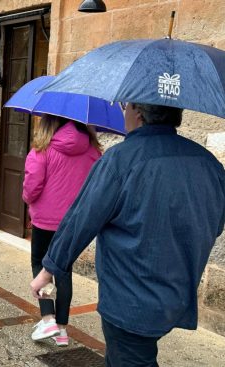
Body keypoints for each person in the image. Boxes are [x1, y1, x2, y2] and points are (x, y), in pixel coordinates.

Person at [30, 103, 225, 366]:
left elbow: (81, 219)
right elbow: (216, 223)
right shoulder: (207, 162)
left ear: (138, 113)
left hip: (130, 296)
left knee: (130, 357)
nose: (124, 114)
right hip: (176, 292)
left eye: (126, 106)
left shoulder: (120, 159)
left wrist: (47, 269)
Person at [23, 115, 101, 346]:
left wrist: (28, 200)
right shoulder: (94, 153)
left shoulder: (42, 150)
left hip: (44, 221)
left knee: (41, 263)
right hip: (74, 223)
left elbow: (31, 186)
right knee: (64, 269)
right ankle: (63, 329)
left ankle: (48, 319)